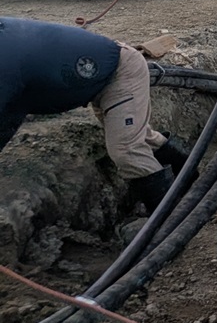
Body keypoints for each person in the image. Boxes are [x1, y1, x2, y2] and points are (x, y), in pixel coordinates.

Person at [0, 17, 187, 211]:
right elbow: (12, 110)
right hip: (96, 77)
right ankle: (188, 176)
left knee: (126, 149)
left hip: (119, 73)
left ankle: (167, 221)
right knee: (140, 136)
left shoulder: (6, 58)